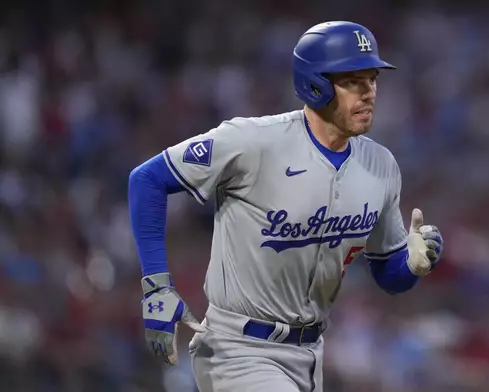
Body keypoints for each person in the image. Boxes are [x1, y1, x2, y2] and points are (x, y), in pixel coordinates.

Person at [128, 20, 444, 392]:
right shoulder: (253, 142)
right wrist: (156, 286)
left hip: (310, 355)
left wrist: (412, 264)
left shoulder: (381, 166)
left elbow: (387, 274)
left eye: (372, 79)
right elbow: (147, 179)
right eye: (353, 81)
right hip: (237, 349)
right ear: (316, 84)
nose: (370, 92)